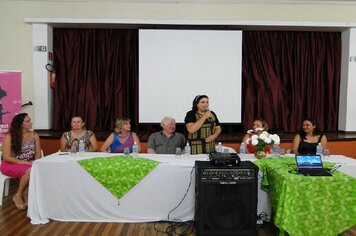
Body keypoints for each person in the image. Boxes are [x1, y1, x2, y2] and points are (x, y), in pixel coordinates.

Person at [0, 113, 42, 209]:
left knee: (33, 169)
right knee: (30, 170)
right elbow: (6, 157)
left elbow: (38, 152)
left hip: (28, 165)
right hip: (10, 164)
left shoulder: (35, 135)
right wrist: (25, 163)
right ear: (20, 124)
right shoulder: (9, 136)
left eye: (30, 120)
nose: (30, 122)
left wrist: (37, 162)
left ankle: (26, 194)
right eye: (27, 121)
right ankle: (18, 195)